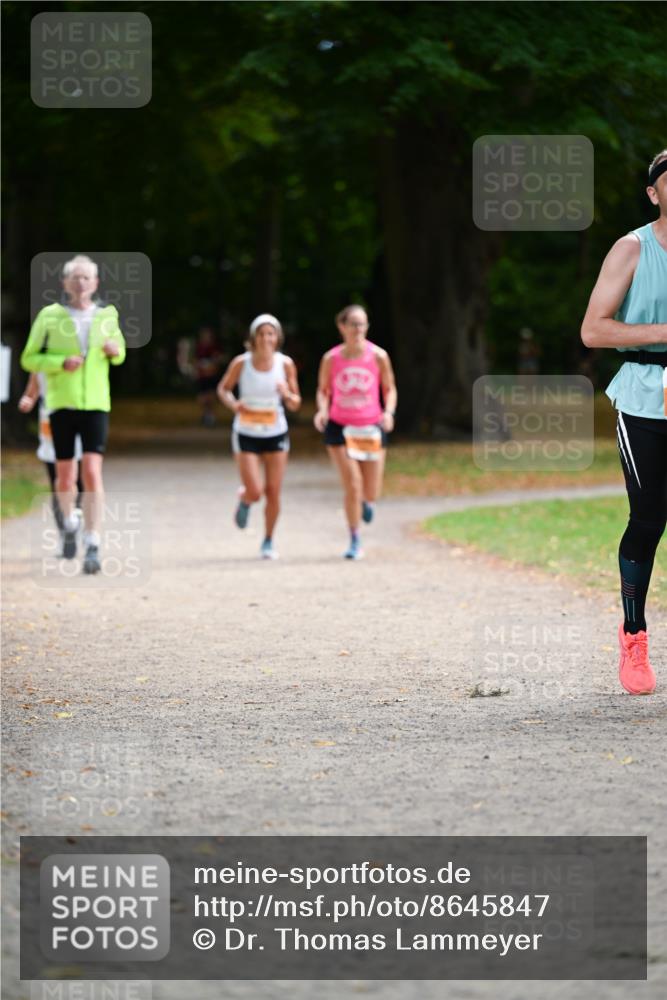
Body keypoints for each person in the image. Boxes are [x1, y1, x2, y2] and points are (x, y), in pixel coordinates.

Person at [581, 149, 667, 695]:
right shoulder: (632, 249)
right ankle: (633, 634)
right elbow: (594, 330)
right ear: (654, 193)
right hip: (643, 397)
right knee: (650, 517)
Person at [21, 254, 126, 574]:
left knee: (92, 472)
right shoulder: (49, 316)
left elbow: (119, 353)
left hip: (95, 404)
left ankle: (93, 541)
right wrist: (58, 363)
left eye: (86, 278)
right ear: (65, 283)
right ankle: (70, 523)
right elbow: (29, 358)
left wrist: (114, 351)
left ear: (95, 283)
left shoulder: (108, 315)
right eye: (75, 277)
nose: (81, 283)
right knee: (65, 477)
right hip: (61, 403)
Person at [313, 304, 397, 560]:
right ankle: (354, 538)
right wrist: (322, 410)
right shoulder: (331, 359)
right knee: (353, 484)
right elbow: (323, 390)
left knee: (370, 491)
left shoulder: (378, 356)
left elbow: (389, 388)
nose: (359, 329)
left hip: (371, 426)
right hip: (340, 426)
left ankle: (368, 503)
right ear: (342, 327)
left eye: (362, 324)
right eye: (353, 324)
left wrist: (388, 413)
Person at [217, 313, 301, 559]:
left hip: (276, 432)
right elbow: (223, 389)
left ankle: (268, 540)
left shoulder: (285, 364)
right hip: (246, 432)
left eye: (271, 334)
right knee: (256, 491)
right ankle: (245, 499)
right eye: (262, 334)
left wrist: (287, 394)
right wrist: (234, 405)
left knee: (273, 491)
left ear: (277, 338)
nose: (266, 338)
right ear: (253, 338)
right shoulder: (241, 363)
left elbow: (296, 403)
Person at [18, 372, 84, 546]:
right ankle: (65, 532)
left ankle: (74, 517)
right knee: (58, 481)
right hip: (50, 430)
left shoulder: (79, 357)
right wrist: (27, 401)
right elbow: (31, 392)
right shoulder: (40, 364)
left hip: (78, 424)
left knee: (77, 481)